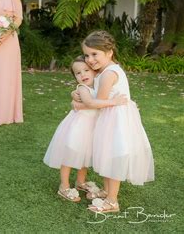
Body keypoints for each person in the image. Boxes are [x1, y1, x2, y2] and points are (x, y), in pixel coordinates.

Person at [75, 30, 154, 213]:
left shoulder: (109, 73)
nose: (90, 59)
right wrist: (79, 92)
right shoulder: (105, 71)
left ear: (109, 52)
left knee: (113, 156)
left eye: (95, 54)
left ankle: (112, 201)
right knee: (107, 155)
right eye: (87, 55)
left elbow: (98, 101)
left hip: (116, 119)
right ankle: (106, 190)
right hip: (112, 116)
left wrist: (80, 98)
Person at [43, 55, 128, 202]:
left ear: (95, 72)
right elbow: (90, 102)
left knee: (85, 156)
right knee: (70, 155)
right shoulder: (82, 88)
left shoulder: (98, 85)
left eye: (86, 70)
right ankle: (64, 186)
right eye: (78, 73)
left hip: (93, 126)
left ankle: (80, 182)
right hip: (79, 126)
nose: (82, 75)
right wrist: (114, 102)